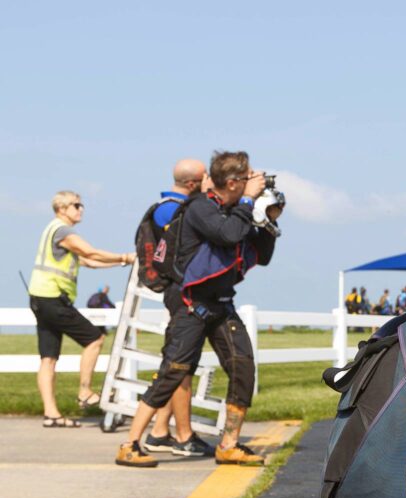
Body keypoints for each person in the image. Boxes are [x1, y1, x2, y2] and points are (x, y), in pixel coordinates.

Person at [115, 150, 282, 467]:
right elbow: (228, 234)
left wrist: (268, 219)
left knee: (242, 367)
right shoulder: (201, 208)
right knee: (173, 371)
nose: (252, 184)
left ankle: (229, 444)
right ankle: (129, 443)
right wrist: (247, 203)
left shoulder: (235, 210)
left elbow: (261, 254)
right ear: (233, 182)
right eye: (247, 179)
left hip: (220, 304)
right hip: (191, 304)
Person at [28, 191, 136, 428]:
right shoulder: (64, 231)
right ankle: (85, 392)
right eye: (76, 205)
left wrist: (121, 261)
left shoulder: (51, 230)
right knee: (95, 338)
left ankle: (52, 414)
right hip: (53, 298)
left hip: (40, 298)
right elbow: (90, 252)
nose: (81, 209)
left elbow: (89, 262)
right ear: (62, 208)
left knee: (48, 358)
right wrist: (127, 256)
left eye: (81, 205)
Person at [142, 158, 215, 458]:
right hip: (181, 294)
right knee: (180, 366)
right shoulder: (175, 210)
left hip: (178, 292)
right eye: (207, 177)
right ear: (192, 184)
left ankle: (160, 430)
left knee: (179, 362)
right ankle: (184, 436)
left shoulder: (167, 207)